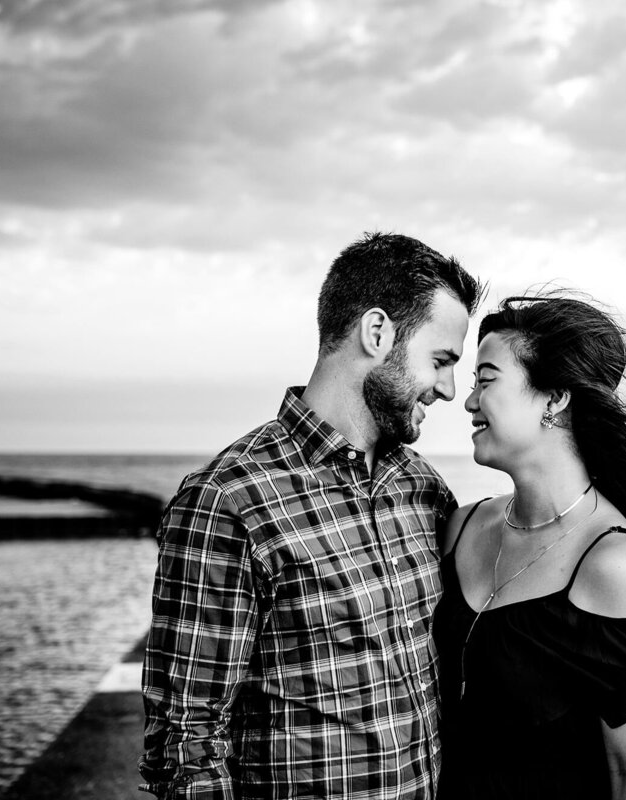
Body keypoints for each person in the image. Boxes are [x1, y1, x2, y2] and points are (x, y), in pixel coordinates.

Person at [139, 233, 483, 800]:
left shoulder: (423, 489)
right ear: (378, 334)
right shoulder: (229, 500)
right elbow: (186, 744)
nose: (448, 389)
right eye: (441, 360)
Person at [434, 295, 626, 800]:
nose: (468, 401)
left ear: (554, 398)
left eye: (486, 380)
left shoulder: (611, 565)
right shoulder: (461, 526)